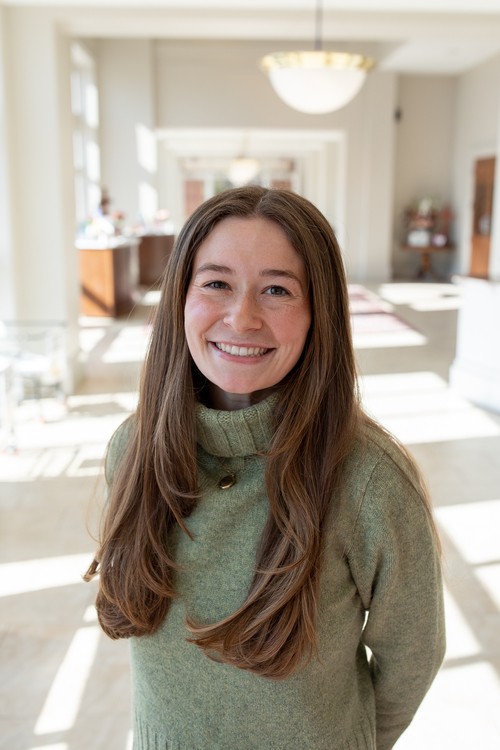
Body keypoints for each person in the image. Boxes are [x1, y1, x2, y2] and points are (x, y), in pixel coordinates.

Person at [85, 186, 445, 750]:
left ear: (319, 312)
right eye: (216, 283)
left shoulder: (369, 479)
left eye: (277, 289)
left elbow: (413, 654)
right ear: (180, 297)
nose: (242, 317)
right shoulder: (132, 446)